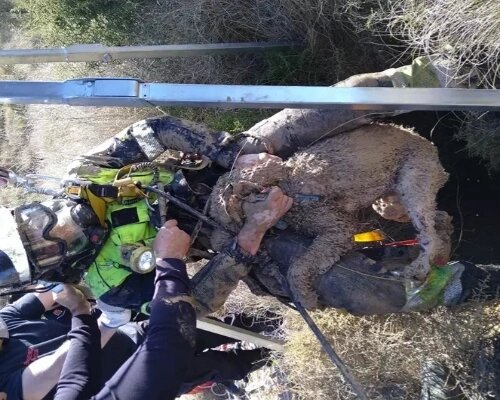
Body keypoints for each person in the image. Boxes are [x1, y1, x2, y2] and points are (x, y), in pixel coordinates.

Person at [0, 56, 491, 316]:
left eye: (37, 219)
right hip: (234, 239)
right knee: (339, 285)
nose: (56, 226)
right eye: (47, 243)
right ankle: (464, 285)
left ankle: (452, 70)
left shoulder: (82, 176)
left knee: (335, 102)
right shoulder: (111, 289)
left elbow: (152, 130)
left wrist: (235, 152)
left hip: (233, 166)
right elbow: (191, 307)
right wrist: (247, 240)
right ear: (51, 267)